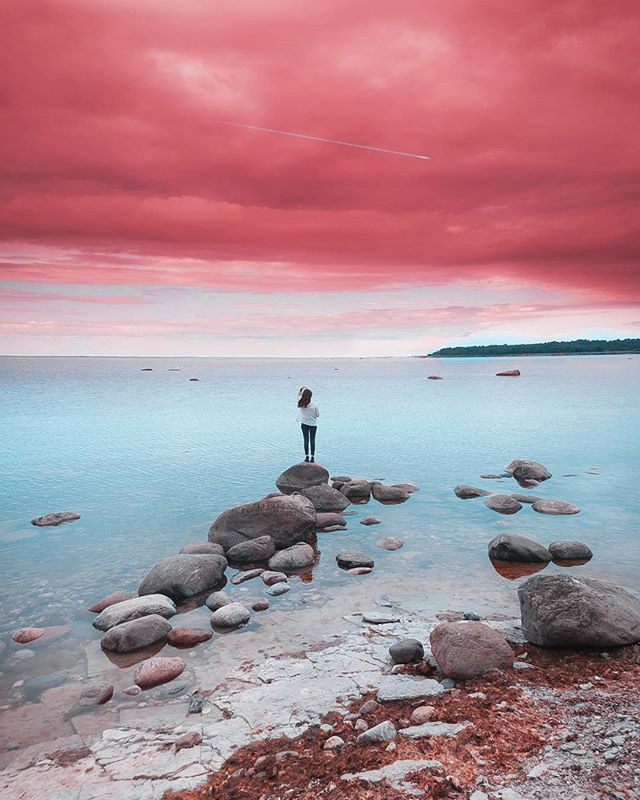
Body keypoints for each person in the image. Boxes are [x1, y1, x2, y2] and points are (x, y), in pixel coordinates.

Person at [296, 387, 319, 462]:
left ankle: (306, 457)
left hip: (304, 424)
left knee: (306, 440)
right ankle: (312, 458)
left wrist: (301, 390)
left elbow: (298, 395)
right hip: (313, 425)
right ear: (311, 396)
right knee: (312, 440)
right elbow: (317, 415)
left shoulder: (300, 403)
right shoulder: (314, 405)